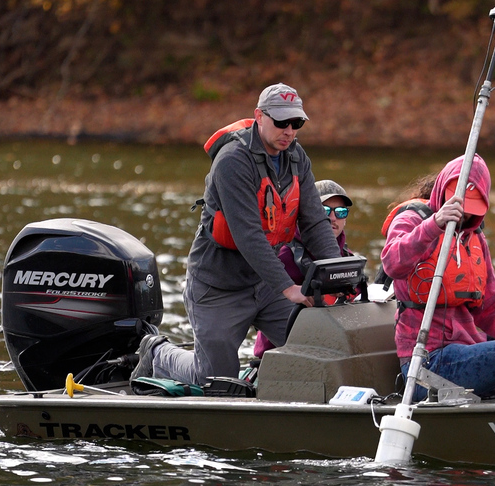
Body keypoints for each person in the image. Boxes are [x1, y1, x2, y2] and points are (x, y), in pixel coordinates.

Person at [132, 83, 341, 386]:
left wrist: (335, 272)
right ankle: (158, 353)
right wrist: (288, 288)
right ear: (259, 116)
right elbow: (248, 236)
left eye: (297, 123)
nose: (289, 130)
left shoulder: (297, 159)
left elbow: (315, 223)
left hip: (263, 283)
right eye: (281, 122)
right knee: (216, 382)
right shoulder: (233, 160)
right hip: (218, 285)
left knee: (317, 345)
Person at [380, 154, 495, 401]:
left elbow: (493, 306)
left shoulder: (474, 238)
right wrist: (435, 224)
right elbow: (392, 263)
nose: (463, 217)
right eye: (462, 209)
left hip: (467, 350)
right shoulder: (411, 220)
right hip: (427, 364)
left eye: (471, 212)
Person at [252, 180, 355, 357]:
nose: (332, 218)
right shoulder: (283, 254)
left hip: (333, 349)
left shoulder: (349, 259)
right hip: (278, 354)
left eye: (340, 212)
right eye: (324, 211)